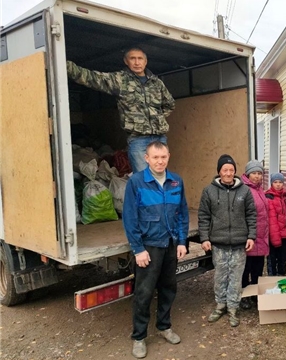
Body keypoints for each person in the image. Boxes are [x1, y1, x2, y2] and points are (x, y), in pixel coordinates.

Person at [122, 141, 189, 359]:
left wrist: (181, 241)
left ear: (168, 156)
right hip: (148, 247)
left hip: (170, 244)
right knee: (144, 293)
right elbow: (130, 219)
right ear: (146, 158)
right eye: (155, 157)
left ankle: (164, 326)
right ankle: (139, 337)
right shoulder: (136, 182)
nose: (160, 161)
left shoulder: (176, 181)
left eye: (163, 157)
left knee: (169, 288)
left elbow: (182, 214)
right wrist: (138, 249)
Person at [67, 47, 176, 173]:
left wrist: (158, 118)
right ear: (126, 61)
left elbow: (170, 104)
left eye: (140, 59)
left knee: (160, 175)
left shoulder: (156, 83)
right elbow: (92, 78)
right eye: (132, 58)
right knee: (142, 178)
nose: (136, 62)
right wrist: (67, 66)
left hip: (159, 137)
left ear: (145, 62)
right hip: (138, 139)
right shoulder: (120, 80)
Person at [198, 154, 257, 327]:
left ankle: (232, 308)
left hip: (239, 243)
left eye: (231, 170)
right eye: (225, 170)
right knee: (220, 276)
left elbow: (251, 215)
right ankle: (220, 305)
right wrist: (204, 238)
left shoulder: (244, 191)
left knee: (236, 277)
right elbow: (203, 216)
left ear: (235, 172)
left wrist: (251, 236)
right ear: (219, 172)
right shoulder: (209, 191)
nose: (228, 173)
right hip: (219, 243)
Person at [239, 160, 269, 310]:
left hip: (261, 237)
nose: (257, 176)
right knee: (246, 268)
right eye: (254, 173)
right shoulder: (243, 190)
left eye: (259, 173)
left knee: (258, 268)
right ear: (248, 174)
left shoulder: (259, 189)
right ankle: (244, 295)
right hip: (249, 237)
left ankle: (255, 294)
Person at [266, 173, 286, 276]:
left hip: (283, 233)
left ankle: (282, 276)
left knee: (283, 258)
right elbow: (272, 219)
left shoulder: (284, 196)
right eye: (275, 182)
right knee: (272, 258)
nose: (278, 184)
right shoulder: (269, 197)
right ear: (271, 183)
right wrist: (275, 237)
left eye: (280, 182)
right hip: (273, 234)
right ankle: (272, 278)